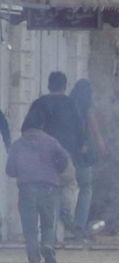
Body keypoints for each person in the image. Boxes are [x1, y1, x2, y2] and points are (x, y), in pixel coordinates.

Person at [22, 71, 84, 234]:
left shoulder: (39, 103)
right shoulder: (72, 105)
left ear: (49, 85)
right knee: (68, 186)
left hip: (42, 158)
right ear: (65, 86)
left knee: (44, 191)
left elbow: (27, 130)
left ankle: (48, 233)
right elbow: (79, 132)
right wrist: (78, 151)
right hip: (65, 156)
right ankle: (67, 217)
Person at [5, 128, 70, 263]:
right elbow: (64, 159)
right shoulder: (51, 141)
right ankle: (47, 244)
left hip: (27, 188)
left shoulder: (18, 145)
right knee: (48, 223)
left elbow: (10, 170)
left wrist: (22, 171)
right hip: (48, 186)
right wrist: (55, 170)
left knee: (30, 229)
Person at [66, 79, 106, 238]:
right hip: (82, 154)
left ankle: (63, 225)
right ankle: (79, 226)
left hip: (65, 152)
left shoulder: (66, 106)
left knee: (64, 188)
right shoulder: (87, 108)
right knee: (85, 186)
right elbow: (95, 131)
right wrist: (102, 147)